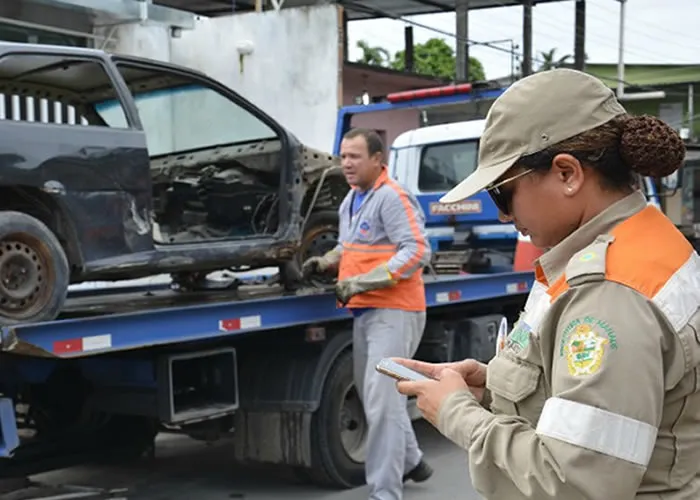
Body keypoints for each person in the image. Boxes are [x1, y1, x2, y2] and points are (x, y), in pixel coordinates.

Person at [393, 68, 700, 499]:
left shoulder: (608, 293)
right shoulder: (639, 241)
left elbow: (573, 483)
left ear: (567, 174)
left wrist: (457, 413)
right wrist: (491, 388)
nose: (502, 214)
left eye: (502, 192)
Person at [302, 128, 433, 499]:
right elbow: (351, 245)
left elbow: (417, 250)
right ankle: (412, 460)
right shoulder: (353, 200)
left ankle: (384, 492)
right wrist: (328, 261)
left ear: (378, 160)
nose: (346, 163)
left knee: (381, 402)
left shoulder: (392, 197)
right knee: (376, 395)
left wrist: (363, 282)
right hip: (366, 312)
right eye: (343, 156)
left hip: (395, 311)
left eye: (355, 156)